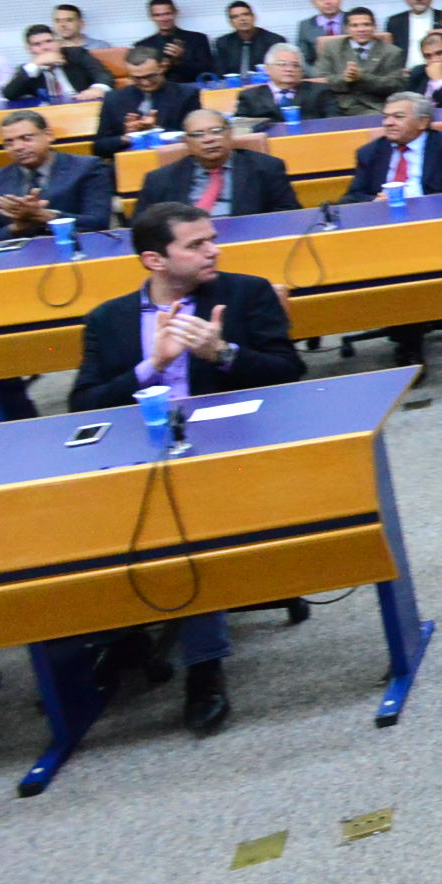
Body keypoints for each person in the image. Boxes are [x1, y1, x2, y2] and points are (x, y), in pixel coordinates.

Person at [70, 202, 306, 732]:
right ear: (154, 260)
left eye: (212, 240)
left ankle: (204, 666)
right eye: (196, 245)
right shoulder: (108, 319)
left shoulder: (247, 294)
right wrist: (151, 365)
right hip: (136, 454)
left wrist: (223, 353)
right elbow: (83, 406)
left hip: (230, 451)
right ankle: (117, 634)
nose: (213, 251)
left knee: (183, 522)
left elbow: (290, 374)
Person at [342, 94, 442, 360]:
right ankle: (407, 332)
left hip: (437, 229)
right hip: (383, 233)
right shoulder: (370, 152)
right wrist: (373, 202)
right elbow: (351, 197)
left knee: (402, 263)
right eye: (385, 117)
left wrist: (418, 203)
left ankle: (409, 342)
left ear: (423, 122)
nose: (388, 123)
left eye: (398, 117)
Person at [0, 108, 114, 249]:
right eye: (9, 143)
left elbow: (99, 223)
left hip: (80, 250)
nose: (18, 147)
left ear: (48, 135)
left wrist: (48, 217)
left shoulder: (88, 168)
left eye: (26, 138)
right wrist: (17, 228)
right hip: (21, 258)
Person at [138, 108, 304, 218]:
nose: (209, 139)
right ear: (186, 141)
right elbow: (141, 227)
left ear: (230, 133)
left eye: (216, 131)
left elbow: (288, 214)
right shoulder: (159, 180)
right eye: (198, 135)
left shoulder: (266, 168)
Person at [92, 41, 199, 156]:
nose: (145, 83)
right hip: (129, 160)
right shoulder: (113, 99)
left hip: (176, 158)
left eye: (150, 76)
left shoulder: (186, 95)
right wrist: (128, 137)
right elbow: (99, 147)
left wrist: (156, 131)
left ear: (163, 67)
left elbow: (197, 137)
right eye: (137, 78)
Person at [316, 7, 407, 117]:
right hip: (336, 106)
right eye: (355, 26)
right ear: (346, 28)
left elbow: (395, 85)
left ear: (375, 27)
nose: (361, 29)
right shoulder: (331, 48)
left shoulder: (392, 52)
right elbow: (321, 81)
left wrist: (362, 77)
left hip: (373, 107)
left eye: (366, 25)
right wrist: (344, 78)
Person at [232, 43, 340, 122]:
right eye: (282, 64)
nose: (289, 69)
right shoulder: (250, 97)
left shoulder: (320, 91)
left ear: (302, 72)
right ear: (267, 69)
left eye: (295, 65)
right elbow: (242, 130)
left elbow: (335, 122)